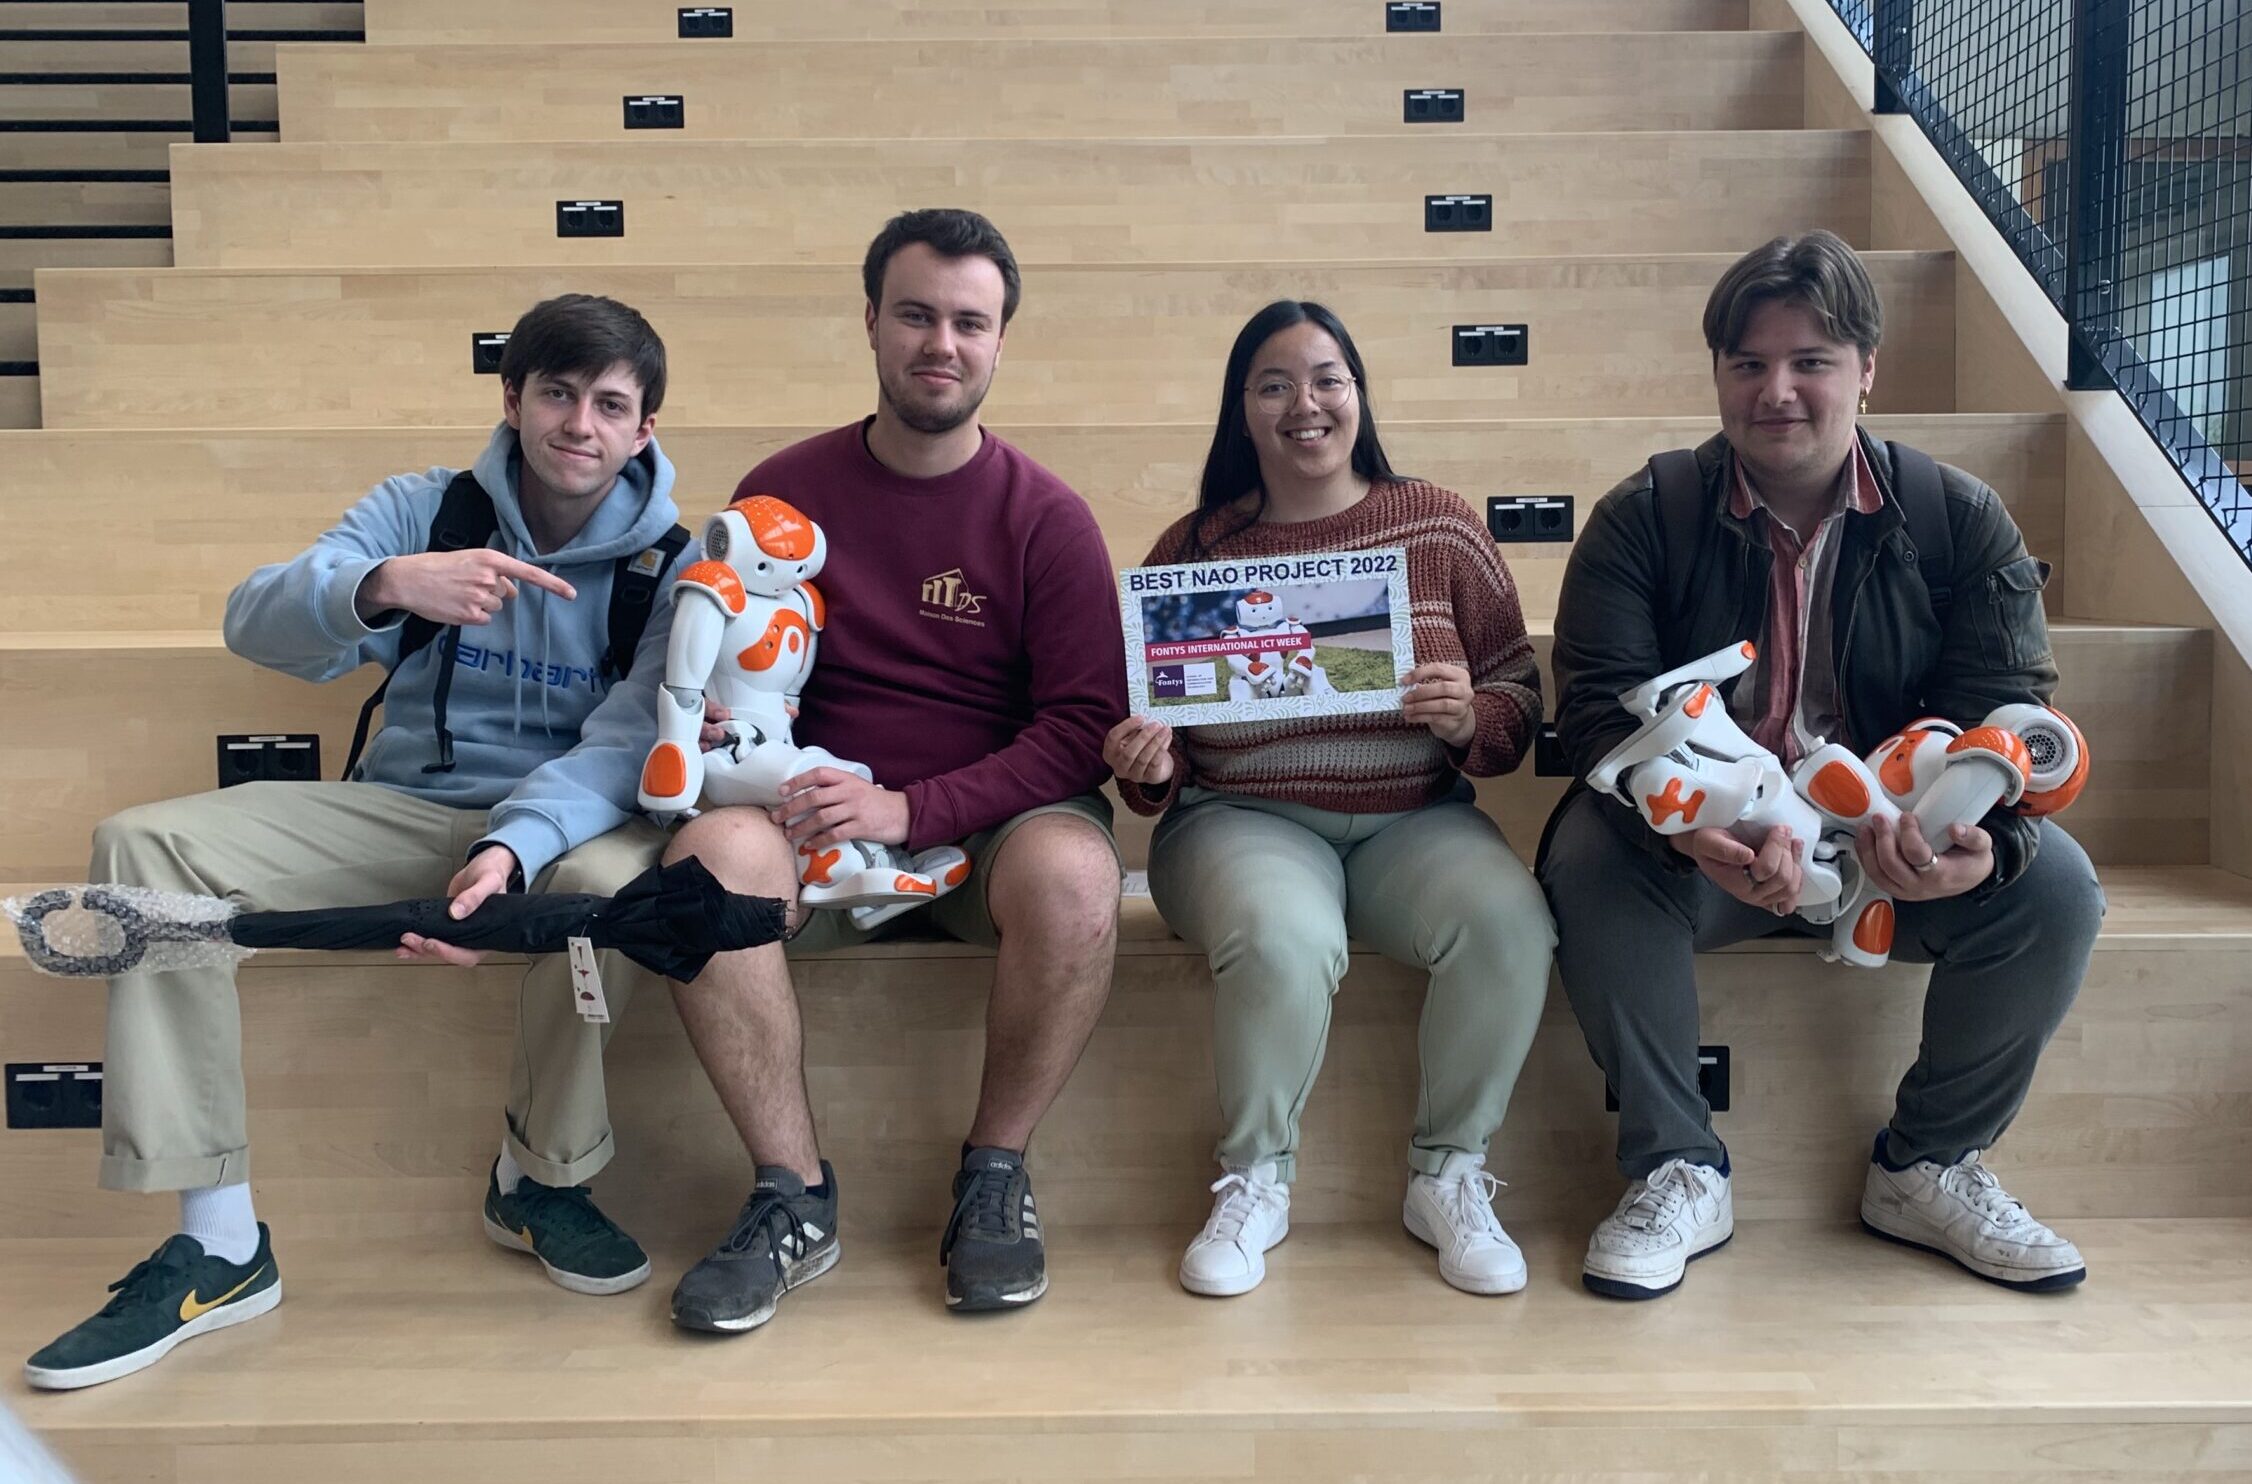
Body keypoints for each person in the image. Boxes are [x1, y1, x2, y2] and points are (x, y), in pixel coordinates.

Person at [25, 294, 698, 1390]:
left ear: (644, 428)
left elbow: (627, 744)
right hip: (398, 807)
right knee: (139, 847)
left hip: (555, 827)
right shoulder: (424, 507)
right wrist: (379, 587)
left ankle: (540, 1179)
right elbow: (254, 619)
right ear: (514, 400)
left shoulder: (669, 561)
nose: (581, 422)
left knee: (612, 881)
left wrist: (514, 854)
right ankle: (223, 1238)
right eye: (559, 393)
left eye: (610, 403)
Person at [1540, 230, 2106, 1301]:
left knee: (2058, 886)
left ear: (1866, 369)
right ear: (1716, 373)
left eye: (1809, 362)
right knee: (1586, 851)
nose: (1776, 391)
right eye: (1747, 364)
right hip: (1708, 854)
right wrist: (1690, 830)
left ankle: (1925, 1162)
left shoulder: (1956, 520)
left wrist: (1975, 849)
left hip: (1893, 847)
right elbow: (1593, 719)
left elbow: (2011, 722)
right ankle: (1673, 1164)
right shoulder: (1642, 518)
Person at [610, 208, 1127, 1331]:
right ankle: (791, 1196)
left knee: (1080, 873)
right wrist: (717, 742)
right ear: (871, 323)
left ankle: (993, 1173)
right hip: (808, 823)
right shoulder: (783, 494)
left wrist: (914, 804)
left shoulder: (1046, 518)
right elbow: (734, 672)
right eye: (916, 314)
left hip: (984, 832)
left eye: (968, 321)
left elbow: (1083, 723)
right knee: (704, 859)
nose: (940, 341)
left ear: (998, 341)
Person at [1106, 300, 1554, 1298]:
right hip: (1239, 820)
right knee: (1281, 936)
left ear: (1358, 396)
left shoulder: (1436, 522)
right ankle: (1253, 1178)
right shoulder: (1193, 549)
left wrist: (1465, 715)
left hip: (1416, 821)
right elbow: (1154, 751)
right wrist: (1142, 757)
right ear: (1240, 410)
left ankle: (1447, 1173)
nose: (1303, 403)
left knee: (1510, 922)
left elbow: (1518, 694)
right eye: (1272, 383)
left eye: (1326, 379)